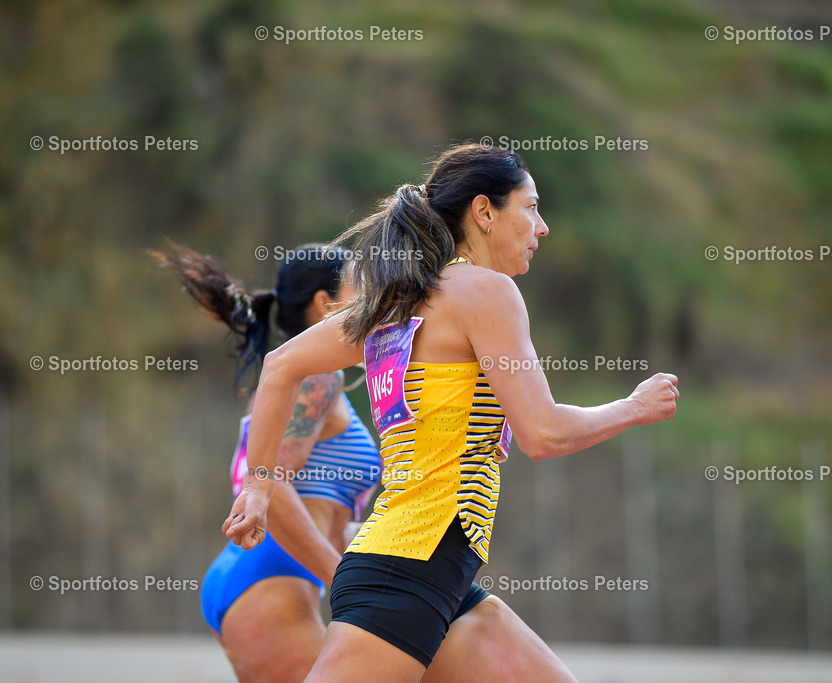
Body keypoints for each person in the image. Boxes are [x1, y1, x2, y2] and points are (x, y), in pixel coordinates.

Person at [225, 143, 679, 682]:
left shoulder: (398, 300)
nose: (543, 226)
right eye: (531, 207)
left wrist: (259, 488)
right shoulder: (485, 292)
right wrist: (632, 407)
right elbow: (542, 433)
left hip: (427, 570)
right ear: (484, 212)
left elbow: (280, 366)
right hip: (409, 569)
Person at [156, 242, 575, 682]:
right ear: (326, 303)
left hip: (264, 574)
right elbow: (266, 486)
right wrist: (345, 576)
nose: (378, 296)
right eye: (363, 283)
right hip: (270, 575)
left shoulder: (309, 382)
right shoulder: (318, 379)